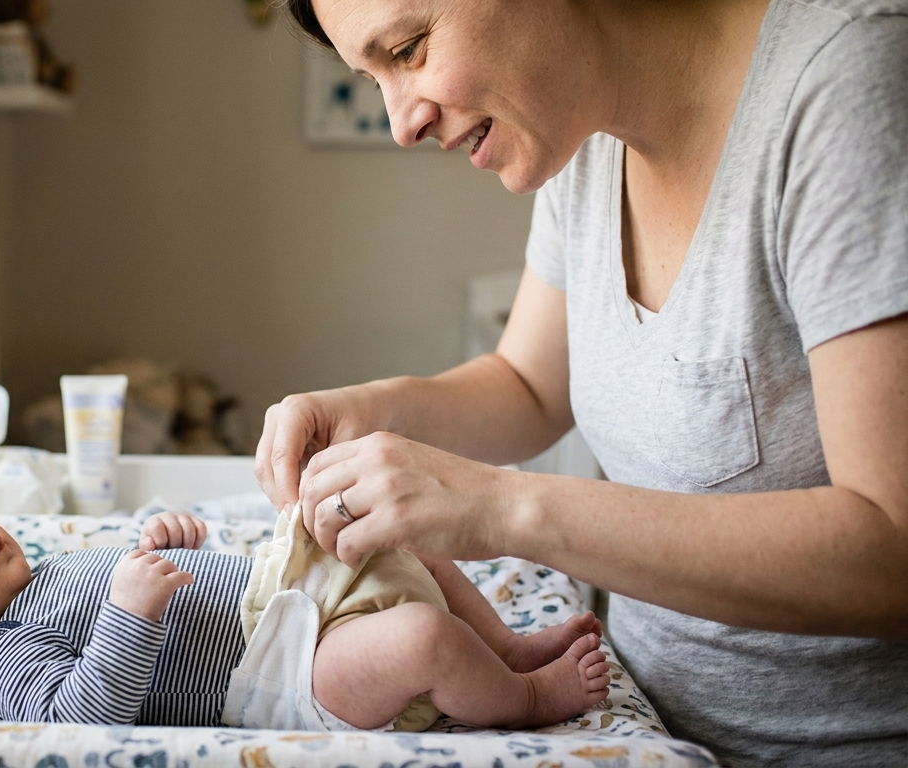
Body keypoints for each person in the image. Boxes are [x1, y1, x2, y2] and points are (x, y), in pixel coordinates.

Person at [260, 0, 908, 764]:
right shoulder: (585, 126)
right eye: (372, 76)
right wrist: (363, 411)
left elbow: (891, 548)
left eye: (409, 48)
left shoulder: (846, 82)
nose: (401, 122)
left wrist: (503, 507)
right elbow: (528, 387)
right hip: (636, 729)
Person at [0, 502, 610, 730]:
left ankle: (504, 649)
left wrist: (167, 542)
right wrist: (129, 613)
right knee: (421, 641)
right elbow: (83, 717)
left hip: (286, 592)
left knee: (392, 531)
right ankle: (531, 701)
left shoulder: (43, 576)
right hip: (290, 677)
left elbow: (145, 577)